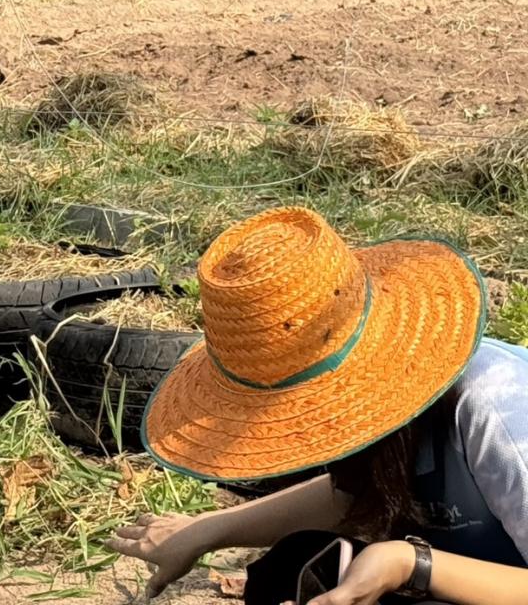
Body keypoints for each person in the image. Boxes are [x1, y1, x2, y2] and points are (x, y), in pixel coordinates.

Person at [108, 206, 528, 605]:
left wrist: (409, 564)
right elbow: (354, 492)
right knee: (295, 563)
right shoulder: (392, 430)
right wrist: (203, 531)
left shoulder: (496, 408)